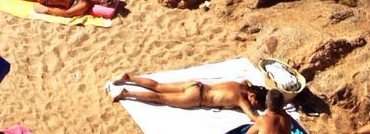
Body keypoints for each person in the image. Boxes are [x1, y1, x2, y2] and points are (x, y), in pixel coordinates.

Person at [109, 75, 260, 116]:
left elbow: (246, 81)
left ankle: (129, 77)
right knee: (160, 98)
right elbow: (253, 117)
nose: (254, 106)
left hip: (196, 85)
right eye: (256, 102)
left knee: (158, 86)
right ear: (252, 94)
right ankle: (127, 94)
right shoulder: (242, 100)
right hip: (196, 98)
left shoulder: (241, 85)